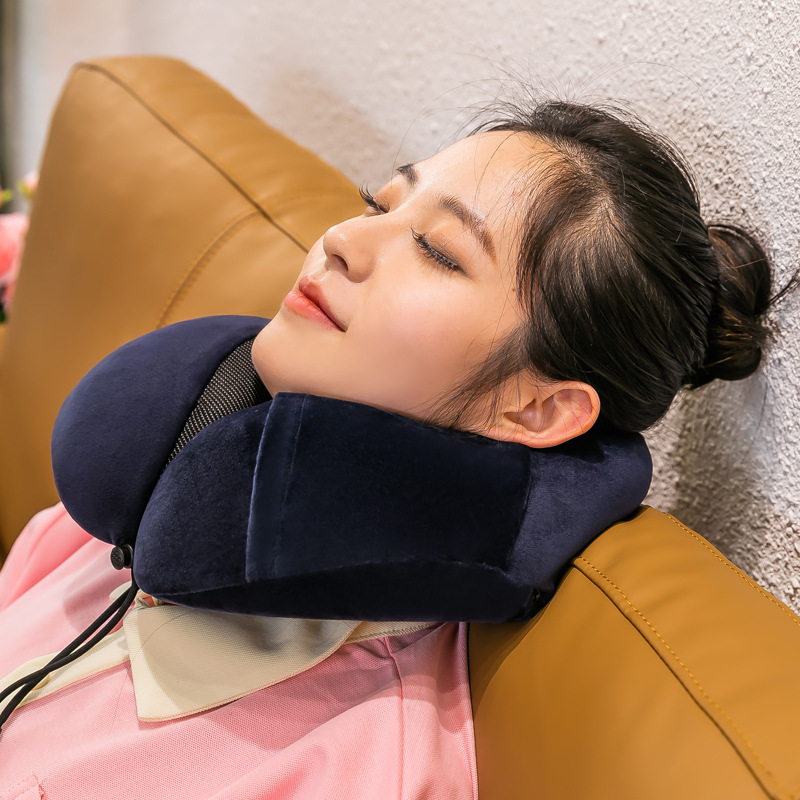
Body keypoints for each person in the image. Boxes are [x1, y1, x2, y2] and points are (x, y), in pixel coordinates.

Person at [0, 100, 787, 799]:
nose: (342, 239)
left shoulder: (354, 766)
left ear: (538, 408)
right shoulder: (128, 506)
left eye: (440, 251)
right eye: (375, 204)